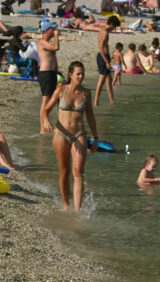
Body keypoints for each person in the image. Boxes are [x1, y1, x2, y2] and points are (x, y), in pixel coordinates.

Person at [41, 61, 98, 212]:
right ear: (70, 75)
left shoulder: (86, 93)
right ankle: (66, 204)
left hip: (79, 134)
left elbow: (90, 116)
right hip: (61, 134)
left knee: (78, 172)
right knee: (64, 171)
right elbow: (45, 110)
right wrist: (46, 120)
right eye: (78, 74)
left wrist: (96, 137)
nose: (81, 76)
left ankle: (77, 211)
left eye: (82, 74)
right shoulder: (61, 90)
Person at [37, 20, 60, 134]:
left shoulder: (47, 43)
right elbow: (56, 47)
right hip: (45, 74)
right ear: (47, 30)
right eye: (53, 29)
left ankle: (48, 125)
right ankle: (43, 128)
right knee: (45, 101)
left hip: (51, 74)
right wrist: (56, 36)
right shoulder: (42, 42)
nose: (55, 31)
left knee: (53, 100)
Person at [94, 15, 121, 106]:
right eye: (115, 26)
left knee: (109, 79)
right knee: (101, 80)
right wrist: (107, 62)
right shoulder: (105, 32)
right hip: (103, 57)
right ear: (112, 24)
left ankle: (112, 100)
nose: (114, 28)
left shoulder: (102, 29)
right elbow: (101, 48)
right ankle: (96, 102)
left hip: (104, 56)